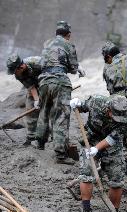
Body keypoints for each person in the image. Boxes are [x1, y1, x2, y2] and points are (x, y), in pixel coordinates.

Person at [69, 94, 127, 212]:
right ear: (109, 110)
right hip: (90, 138)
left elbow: (113, 138)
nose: (117, 119)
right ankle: (86, 209)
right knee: (86, 172)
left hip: (113, 144)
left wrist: (96, 149)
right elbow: (82, 108)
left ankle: (113, 211)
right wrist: (76, 104)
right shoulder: (96, 101)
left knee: (117, 177)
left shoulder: (126, 119)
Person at [37, 21, 83, 164]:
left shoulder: (46, 43)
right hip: (60, 82)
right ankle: (60, 155)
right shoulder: (68, 44)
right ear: (68, 35)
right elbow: (74, 68)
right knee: (61, 116)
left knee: (44, 111)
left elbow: (41, 64)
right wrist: (76, 68)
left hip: (43, 81)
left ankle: (40, 143)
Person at [6, 54, 42, 145]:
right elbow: (31, 87)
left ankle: (53, 136)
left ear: (21, 67)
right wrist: (37, 100)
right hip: (35, 85)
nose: (14, 74)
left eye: (14, 72)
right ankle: (31, 137)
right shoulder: (19, 75)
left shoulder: (37, 62)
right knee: (30, 108)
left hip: (48, 82)